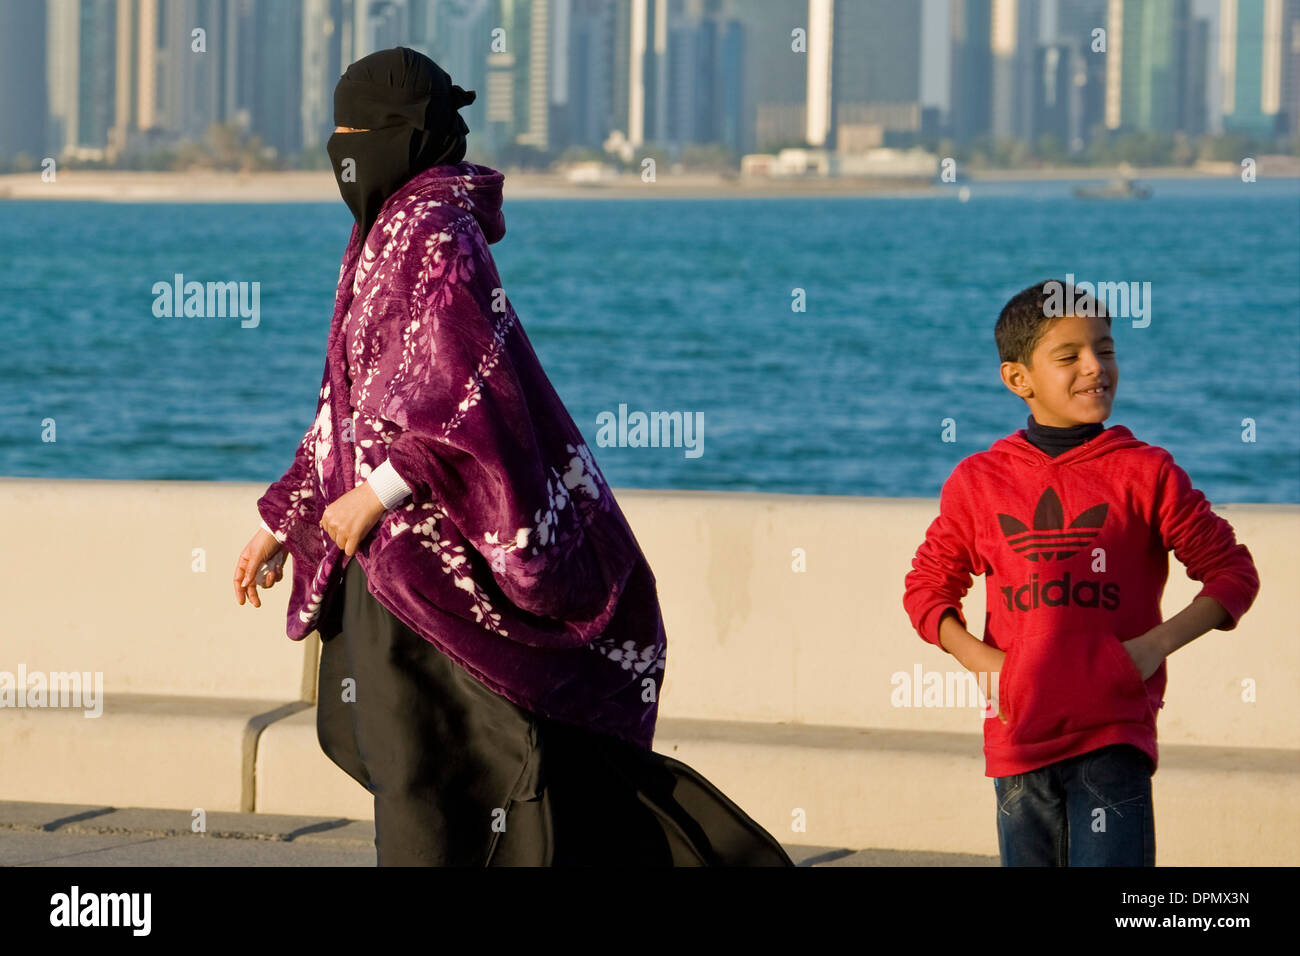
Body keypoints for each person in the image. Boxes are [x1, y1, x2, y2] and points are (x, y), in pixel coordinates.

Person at [232, 47, 792, 867]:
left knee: (439, 776)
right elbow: (350, 404)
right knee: (441, 770)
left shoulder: (431, 230)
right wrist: (286, 518)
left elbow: (466, 395)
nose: (341, 148)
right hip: (390, 571)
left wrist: (378, 492)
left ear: (402, 134)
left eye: (355, 130)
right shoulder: (387, 229)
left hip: (430, 581)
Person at [901, 280, 1260, 866]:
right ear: (1019, 380)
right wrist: (986, 662)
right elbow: (926, 589)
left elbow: (1232, 576)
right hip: (1017, 740)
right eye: (1068, 356)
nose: (1095, 367)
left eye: (1106, 348)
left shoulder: (1147, 472)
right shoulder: (979, 480)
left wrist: (1149, 649)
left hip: (1112, 736)